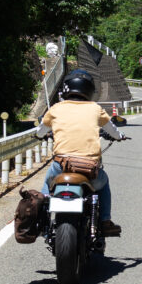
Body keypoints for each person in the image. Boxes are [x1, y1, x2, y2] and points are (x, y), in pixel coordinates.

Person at [37, 70, 124, 236]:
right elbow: (112, 130)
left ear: (66, 89)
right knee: (103, 183)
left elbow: (41, 130)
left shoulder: (56, 108)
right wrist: (120, 136)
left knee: (47, 186)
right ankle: (105, 221)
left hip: (61, 166)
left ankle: (40, 218)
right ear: (90, 90)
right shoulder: (95, 108)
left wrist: (39, 135)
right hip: (89, 168)